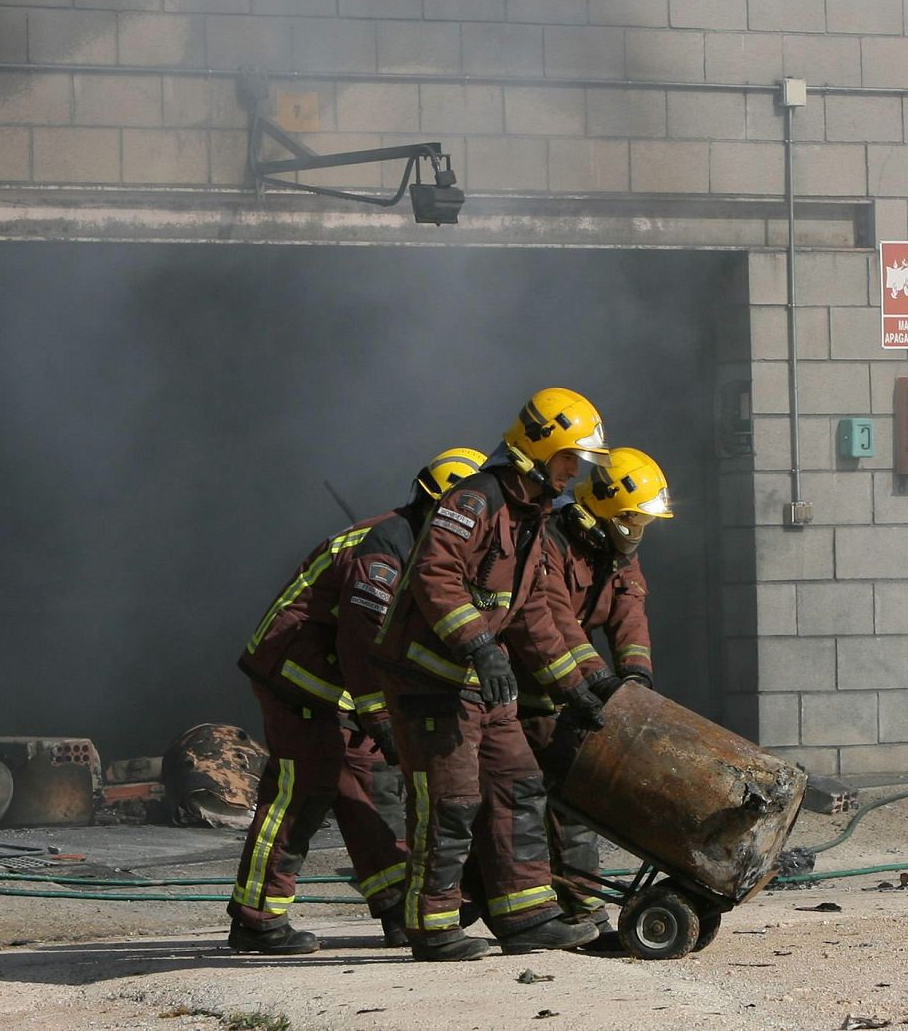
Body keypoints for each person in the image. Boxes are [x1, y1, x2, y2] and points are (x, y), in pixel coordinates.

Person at [374, 389, 612, 962]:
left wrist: (573, 688)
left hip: (482, 687)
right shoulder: (476, 499)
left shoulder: (532, 514)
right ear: (539, 447)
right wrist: (480, 643)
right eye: (568, 458)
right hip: (432, 683)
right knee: (451, 803)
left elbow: (530, 612)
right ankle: (433, 927)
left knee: (519, 785)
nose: (574, 471)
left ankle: (526, 916)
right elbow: (436, 573)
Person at [227, 447, 487, 956]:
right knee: (303, 789)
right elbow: (363, 640)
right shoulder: (386, 549)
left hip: (337, 680)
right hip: (298, 674)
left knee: (365, 785)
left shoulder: (428, 547)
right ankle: (256, 917)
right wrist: (380, 713)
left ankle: (394, 902)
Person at [519, 447, 672, 949]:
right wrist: (597, 680)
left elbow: (631, 611)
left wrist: (635, 677)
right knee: (542, 800)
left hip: (571, 685)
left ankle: (581, 910)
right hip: (532, 685)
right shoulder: (551, 541)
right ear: (608, 506)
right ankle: (554, 909)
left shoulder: (617, 547)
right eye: (634, 518)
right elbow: (555, 617)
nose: (639, 530)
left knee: (572, 802)